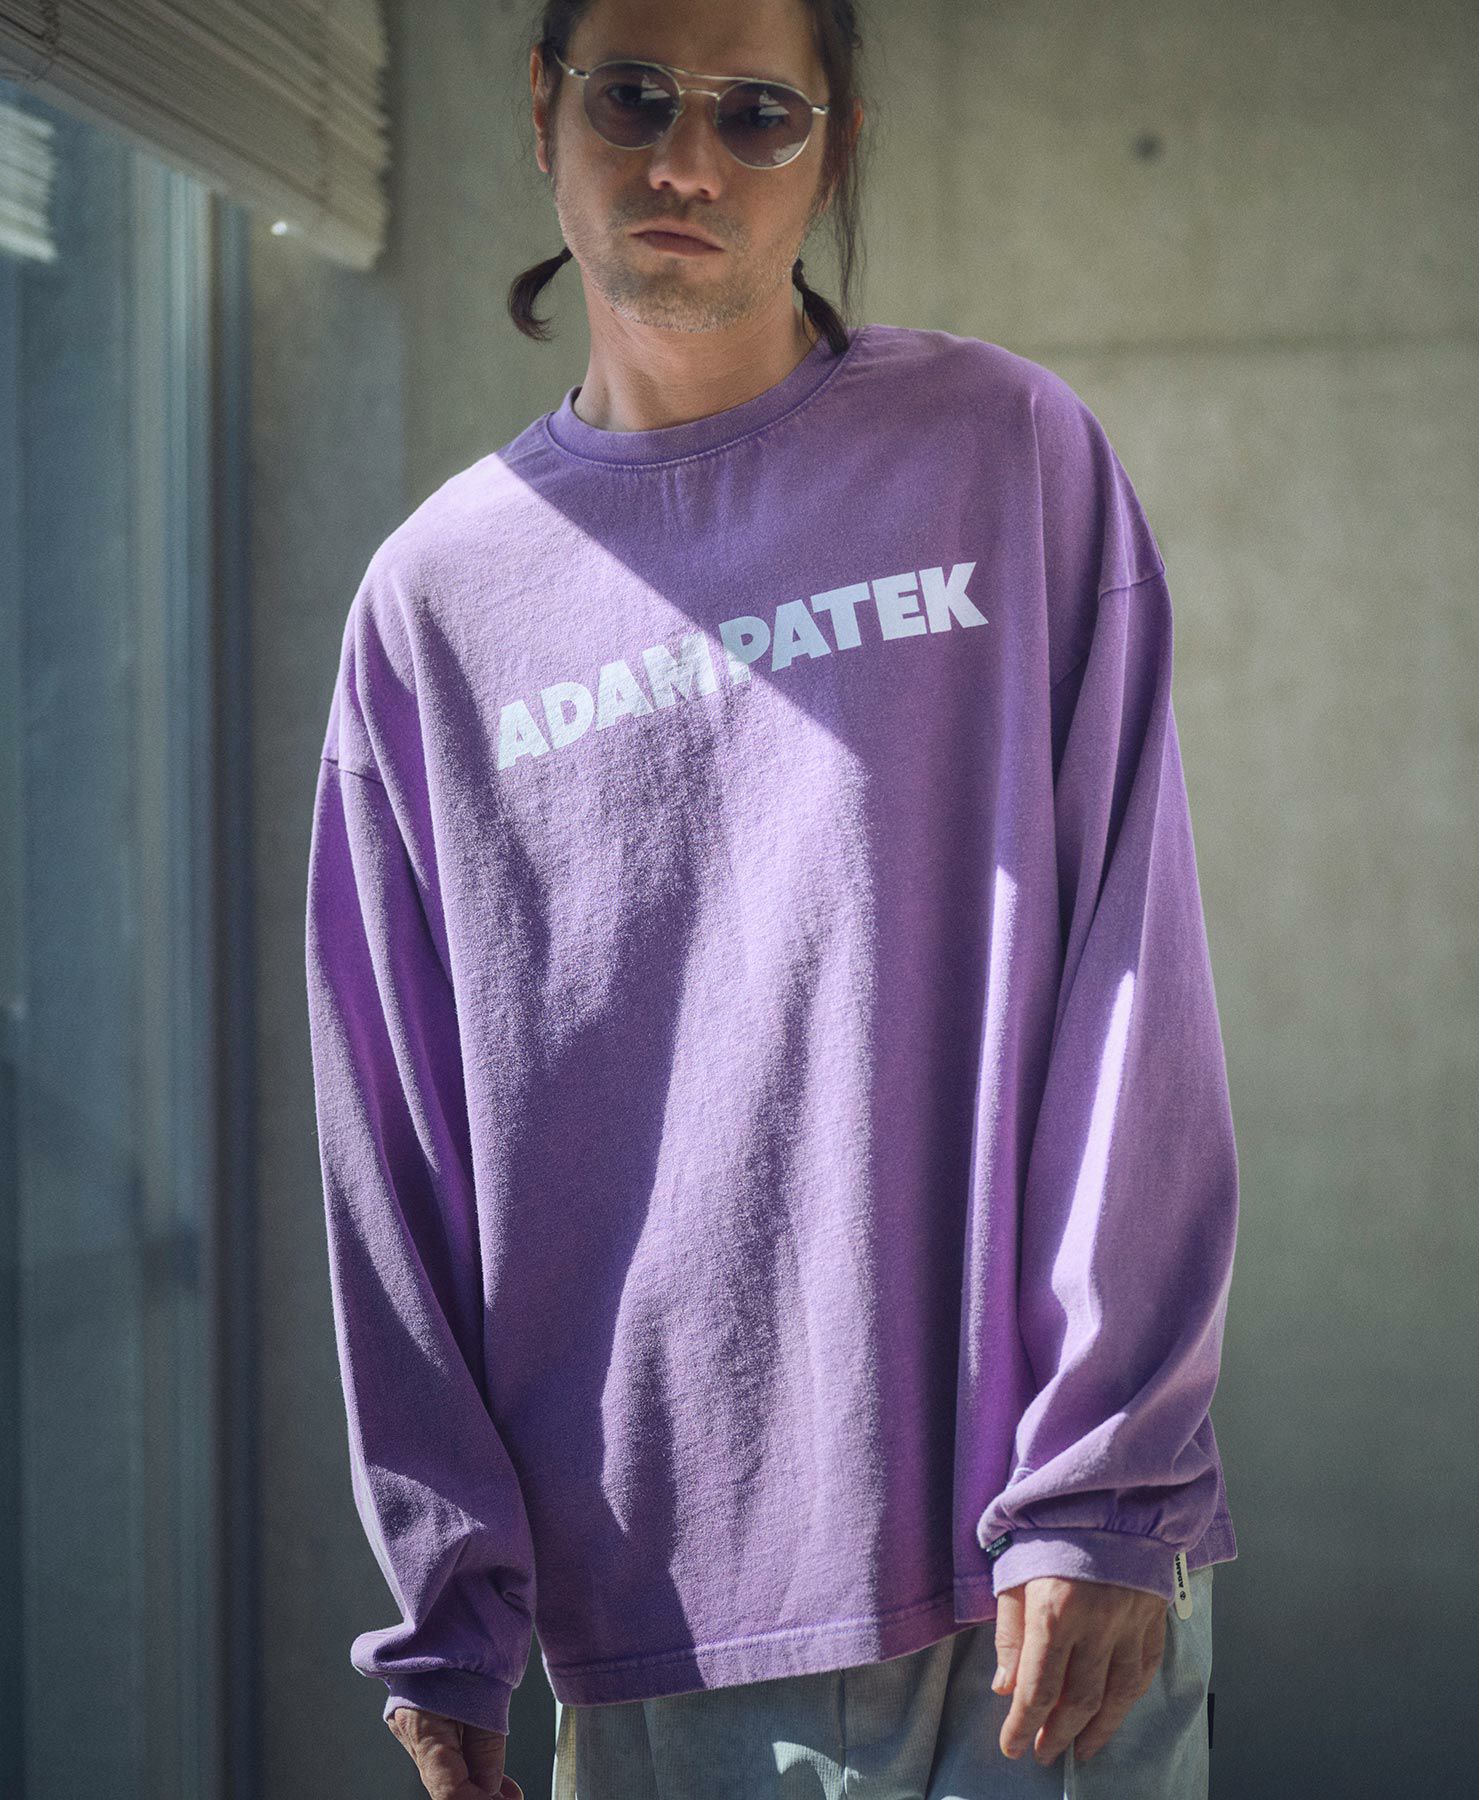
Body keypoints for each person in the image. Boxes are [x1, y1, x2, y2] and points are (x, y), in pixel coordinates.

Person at [302, 1, 1241, 1796]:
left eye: (757, 116)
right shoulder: (433, 606)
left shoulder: (1002, 452)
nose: (686, 161)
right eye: (634, 98)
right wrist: (449, 1611)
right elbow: (393, 1143)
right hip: (654, 1614)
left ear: (836, 147)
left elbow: (1138, 984)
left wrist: (1110, 1490)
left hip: (1033, 1584)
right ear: (542, 106)